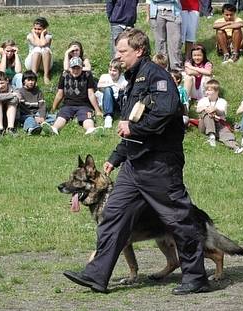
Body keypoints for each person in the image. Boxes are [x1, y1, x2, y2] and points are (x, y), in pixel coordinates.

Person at [63, 28, 211, 295]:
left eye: (123, 51)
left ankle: (196, 277)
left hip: (159, 165)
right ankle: (96, 274)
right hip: (134, 166)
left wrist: (135, 130)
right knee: (111, 216)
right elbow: (132, 121)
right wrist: (115, 158)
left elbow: (165, 112)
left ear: (139, 50)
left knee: (178, 219)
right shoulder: (134, 79)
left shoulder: (157, 76)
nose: (118, 56)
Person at [43, 57, 103, 136]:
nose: (75, 71)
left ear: (82, 68)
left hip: (84, 105)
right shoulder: (64, 75)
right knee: (62, 116)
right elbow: (60, 94)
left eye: (78, 68)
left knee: (87, 117)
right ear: (69, 68)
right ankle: (54, 129)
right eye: (73, 68)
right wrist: (53, 108)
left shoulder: (87, 75)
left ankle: (90, 130)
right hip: (68, 104)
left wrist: (97, 110)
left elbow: (91, 94)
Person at [196, 79, 243, 153]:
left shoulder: (222, 101)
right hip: (204, 126)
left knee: (226, 134)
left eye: (209, 90)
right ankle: (212, 136)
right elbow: (198, 110)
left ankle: (236, 148)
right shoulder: (203, 100)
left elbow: (222, 113)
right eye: (206, 90)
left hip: (218, 124)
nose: (207, 92)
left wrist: (215, 109)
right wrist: (206, 108)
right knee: (207, 114)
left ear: (216, 91)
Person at [17, 70, 55, 135]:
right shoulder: (20, 92)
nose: (31, 82)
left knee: (54, 117)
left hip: (37, 113)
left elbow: (42, 106)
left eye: (32, 80)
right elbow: (22, 109)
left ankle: (40, 123)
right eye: (28, 80)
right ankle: (31, 129)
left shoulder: (38, 92)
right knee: (29, 119)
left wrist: (42, 117)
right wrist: (34, 117)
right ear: (23, 81)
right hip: (26, 114)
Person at [152, 0, 183, 71]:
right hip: (157, 12)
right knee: (160, 43)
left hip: (174, 12)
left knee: (175, 43)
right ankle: (162, 68)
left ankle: (176, 69)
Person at [96, 59, 127, 129]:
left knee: (122, 92)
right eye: (110, 70)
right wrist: (113, 85)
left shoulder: (123, 78)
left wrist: (122, 88)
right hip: (108, 101)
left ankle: (124, 114)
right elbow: (99, 86)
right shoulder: (104, 76)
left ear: (120, 72)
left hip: (119, 102)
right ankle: (108, 116)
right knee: (107, 89)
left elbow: (126, 87)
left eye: (114, 71)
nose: (112, 73)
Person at [25, 17, 53, 85]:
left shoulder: (48, 36)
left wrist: (43, 34)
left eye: (39, 29)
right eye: (35, 29)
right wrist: (34, 34)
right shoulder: (30, 36)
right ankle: (33, 76)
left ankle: (46, 75)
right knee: (37, 49)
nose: (37, 31)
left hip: (45, 64)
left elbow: (43, 44)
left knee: (45, 50)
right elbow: (38, 44)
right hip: (31, 63)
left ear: (44, 29)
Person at [0, 71, 19, 136]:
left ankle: (10, 128)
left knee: (12, 103)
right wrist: (11, 95)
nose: (0, 86)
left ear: (7, 81)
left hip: (11, 114)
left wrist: (3, 97)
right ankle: (0, 129)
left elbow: (15, 100)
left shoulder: (13, 87)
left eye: (2, 83)